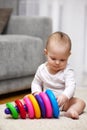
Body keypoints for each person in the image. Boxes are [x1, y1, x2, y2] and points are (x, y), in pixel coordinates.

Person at [31, 31, 86, 119]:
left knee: (81, 103)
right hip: (45, 103)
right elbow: (36, 83)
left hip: (63, 103)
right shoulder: (41, 69)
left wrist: (65, 96)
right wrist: (37, 92)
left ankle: (71, 111)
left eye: (62, 60)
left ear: (68, 56)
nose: (57, 63)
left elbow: (71, 86)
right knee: (28, 97)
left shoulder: (67, 71)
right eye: (53, 58)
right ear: (46, 53)